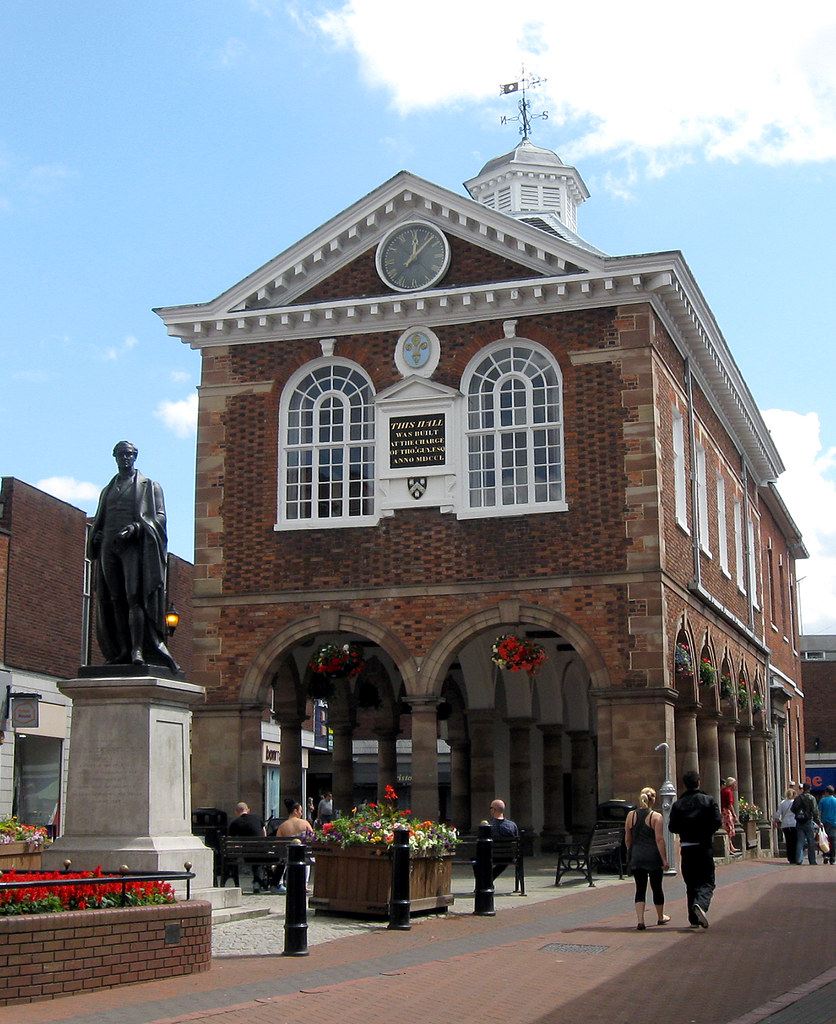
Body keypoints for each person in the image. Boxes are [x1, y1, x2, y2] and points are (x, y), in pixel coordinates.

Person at [88, 440, 179, 672]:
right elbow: (101, 518)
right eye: (120, 455)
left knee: (134, 597)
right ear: (115, 457)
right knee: (113, 600)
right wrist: (96, 537)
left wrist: (137, 529)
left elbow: (160, 517)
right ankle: (122, 650)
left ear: (135, 456)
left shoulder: (150, 486)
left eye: (128, 454)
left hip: (134, 548)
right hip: (109, 546)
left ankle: (138, 649)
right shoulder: (107, 490)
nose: (125, 458)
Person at [669, 770, 722, 929]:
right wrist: (706, 832)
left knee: (691, 883)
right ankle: (700, 904)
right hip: (703, 846)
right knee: (707, 881)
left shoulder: (678, 804)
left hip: (686, 847)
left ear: (685, 784)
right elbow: (717, 821)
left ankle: (693, 919)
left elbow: (672, 827)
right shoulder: (708, 801)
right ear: (699, 782)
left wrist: (685, 831)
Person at [624, 787, 670, 930]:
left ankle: (640, 920)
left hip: (637, 856)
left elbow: (627, 838)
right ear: (654, 799)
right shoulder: (656, 817)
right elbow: (659, 839)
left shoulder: (631, 815)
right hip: (653, 856)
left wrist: (631, 852)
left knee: (640, 888)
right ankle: (660, 916)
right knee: (657, 887)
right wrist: (664, 859)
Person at [228, 801, 266, 892]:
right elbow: (264, 832)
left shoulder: (234, 823)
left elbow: (231, 841)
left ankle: (256, 882)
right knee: (258, 859)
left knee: (253, 856)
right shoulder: (258, 818)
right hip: (262, 851)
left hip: (247, 854)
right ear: (248, 811)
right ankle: (258, 882)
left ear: (236, 812)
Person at [488, 799, 519, 881]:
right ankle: (489, 880)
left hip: (490, 856)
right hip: (509, 856)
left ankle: (485, 881)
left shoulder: (488, 826)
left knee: (476, 860)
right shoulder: (512, 825)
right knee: (505, 860)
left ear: (493, 810)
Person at [792, 782, 820, 865]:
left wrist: (799, 814)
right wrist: (818, 821)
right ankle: (812, 860)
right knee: (811, 841)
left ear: (803, 788)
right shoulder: (812, 798)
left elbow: (792, 809)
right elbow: (815, 811)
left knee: (800, 841)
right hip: (808, 821)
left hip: (799, 822)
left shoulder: (798, 798)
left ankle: (799, 859)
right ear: (809, 788)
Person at [773, 787, 797, 864]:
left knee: (788, 841)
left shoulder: (782, 803)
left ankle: (790, 858)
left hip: (785, 824)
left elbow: (778, 814)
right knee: (795, 841)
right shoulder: (795, 802)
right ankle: (795, 857)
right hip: (794, 823)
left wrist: (775, 822)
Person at [720, 777, 741, 855]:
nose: (735, 785)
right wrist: (734, 814)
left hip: (723, 811)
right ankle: (730, 847)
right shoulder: (728, 792)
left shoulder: (722, 791)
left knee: (727, 829)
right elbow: (730, 804)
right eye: (735, 783)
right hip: (727, 812)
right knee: (729, 829)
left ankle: (731, 846)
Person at [818, 785, 836, 865]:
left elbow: (819, 812)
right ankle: (833, 858)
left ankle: (826, 855)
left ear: (826, 792)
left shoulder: (822, 801)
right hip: (834, 822)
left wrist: (819, 821)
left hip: (824, 822)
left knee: (824, 840)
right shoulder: (835, 800)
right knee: (833, 840)